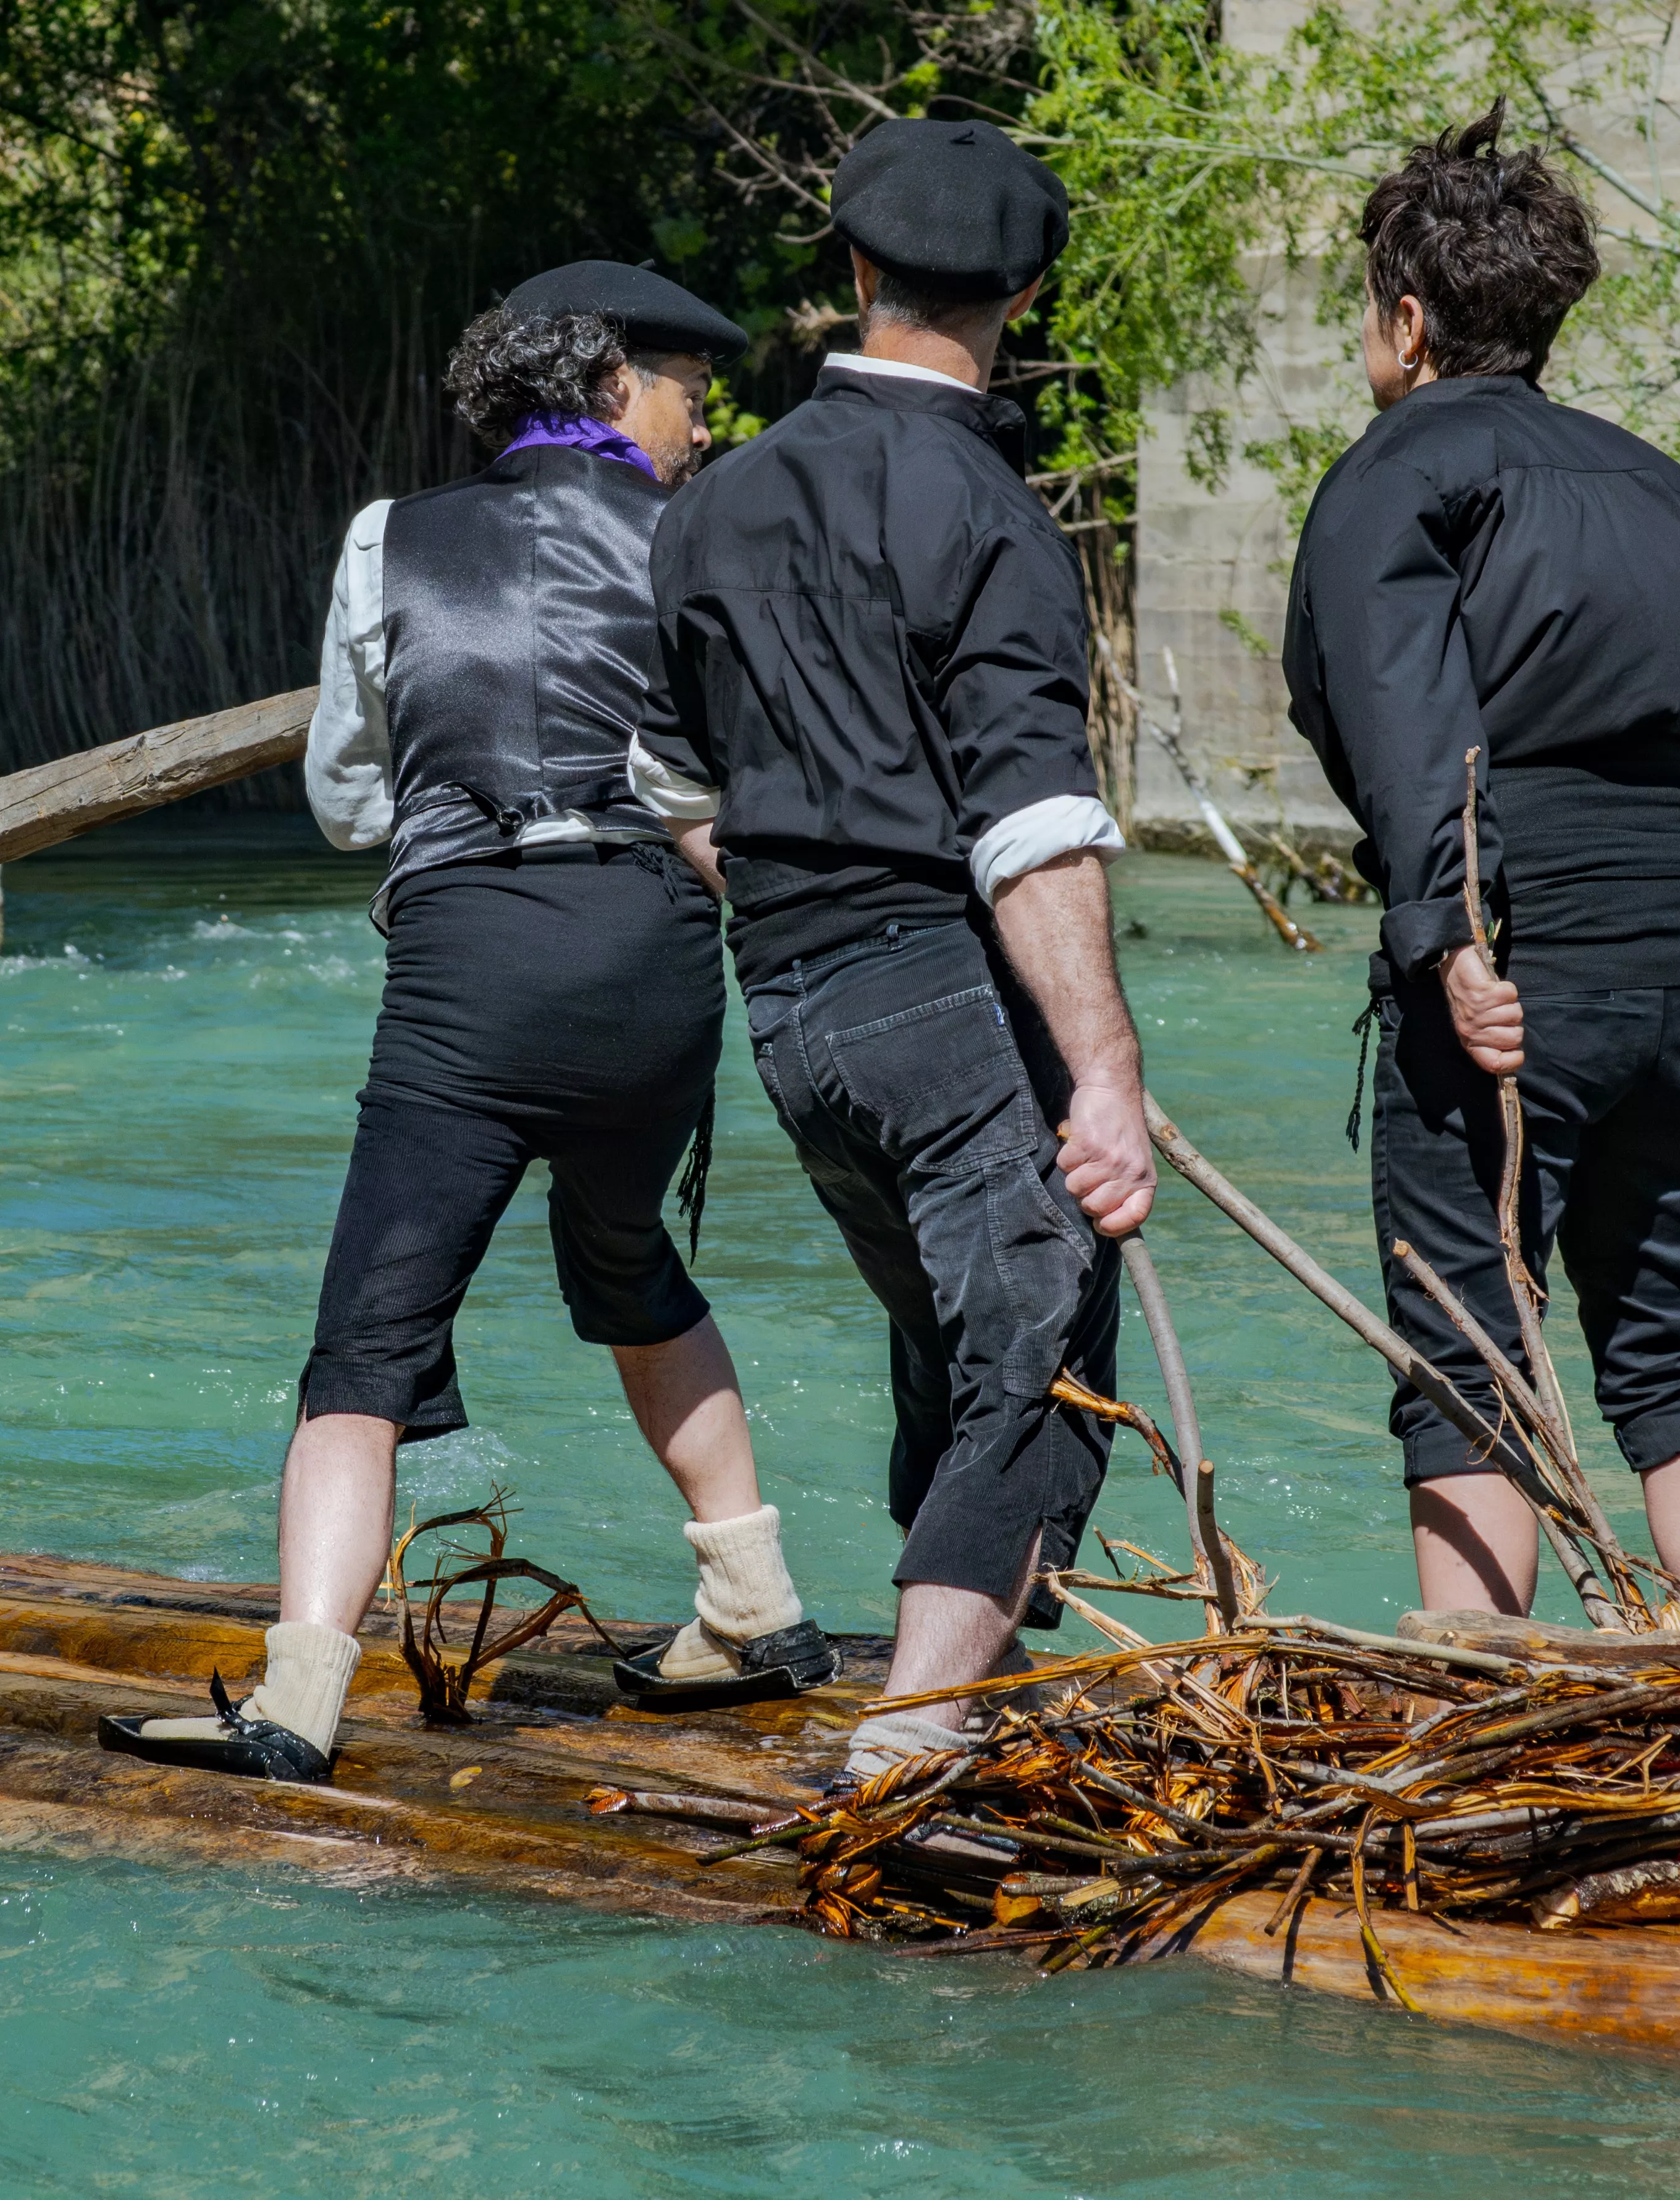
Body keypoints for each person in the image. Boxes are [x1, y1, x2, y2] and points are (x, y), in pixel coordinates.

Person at [103, 261, 833, 1785]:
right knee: (627, 1258)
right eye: (687, 396)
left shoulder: (392, 538)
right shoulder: (703, 535)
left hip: (475, 967)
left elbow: (340, 799)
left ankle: (301, 1693)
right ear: (609, 390)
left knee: (361, 1345)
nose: (700, 428)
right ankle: (755, 1603)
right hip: (652, 961)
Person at [633, 121, 1152, 1782]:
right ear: (1019, 293)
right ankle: (913, 1736)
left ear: (853, 275)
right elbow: (1027, 825)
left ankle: (961, 1665)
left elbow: (667, 781)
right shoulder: (990, 514)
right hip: (930, 975)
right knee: (1035, 1334)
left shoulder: (712, 502)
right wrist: (1105, 1072)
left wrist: (788, 916)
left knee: (951, 1325)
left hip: (783, 1003)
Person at [1280, 106, 1680, 1636]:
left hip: (1515, 950)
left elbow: (1404, 719)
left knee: (1466, 1348)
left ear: (1405, 318)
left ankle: (1478, 1714)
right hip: (1672, 965)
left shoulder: (1394, 471)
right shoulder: (1654, 482)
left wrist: (1448, 936)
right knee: (1663, 1346)